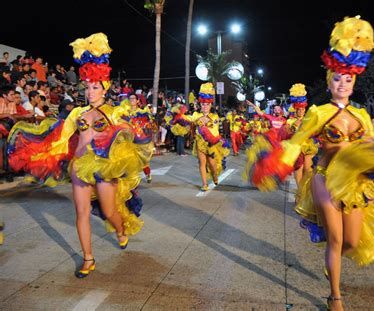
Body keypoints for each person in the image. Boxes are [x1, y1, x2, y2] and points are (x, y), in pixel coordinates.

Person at [243, 16, 374, 310]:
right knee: (337, 240)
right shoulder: (318, 113)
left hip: (353, 184)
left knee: (352, 243)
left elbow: (371, 147)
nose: (342, 84)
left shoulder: (363, 117)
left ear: (354, 82)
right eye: (337, 78)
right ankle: (335, 295)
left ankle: (333, 267)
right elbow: (295, 142)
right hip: (325, 178)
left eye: (348, 79)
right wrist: (275, 164)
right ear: (329, 81)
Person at [7, 33, 153, 278]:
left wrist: (125, 130)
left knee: (109, 212)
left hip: (104, 168)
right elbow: (61, 136)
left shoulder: (114, 112)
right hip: (78, 167)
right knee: (81, 213)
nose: (90, 92)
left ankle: (120, 230)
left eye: (95, 87)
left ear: (104, 89)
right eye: (88, 87)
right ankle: (88, 257)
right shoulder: (77, 113)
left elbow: (129, 132)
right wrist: (37, 151)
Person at [182, 83, 229, 191]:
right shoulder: (196, 115)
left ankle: (215, 176)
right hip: (200, 143)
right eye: (203, 104)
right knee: (202, 163)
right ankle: (204, 184)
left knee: (212, 164)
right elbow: (187, 119)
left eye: (207, 104)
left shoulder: (214, 116)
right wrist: (178, 115)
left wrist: (206, 123)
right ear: (200, 105)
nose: (205, 106)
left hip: (211, 144)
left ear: (210, 105)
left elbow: (215, 130)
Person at [283, 83, 319, 189]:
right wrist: (294, 126)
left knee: (308, 170)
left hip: (308, 146)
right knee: (298, 170)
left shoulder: (308, 119)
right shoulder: (290, 121)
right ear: (295, 110)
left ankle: (306, 191)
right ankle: (300, 193)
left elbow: (315, 131)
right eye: (298, 109)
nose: (301, 111)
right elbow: (286, 134)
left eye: (302, 109)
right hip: (296, 149)